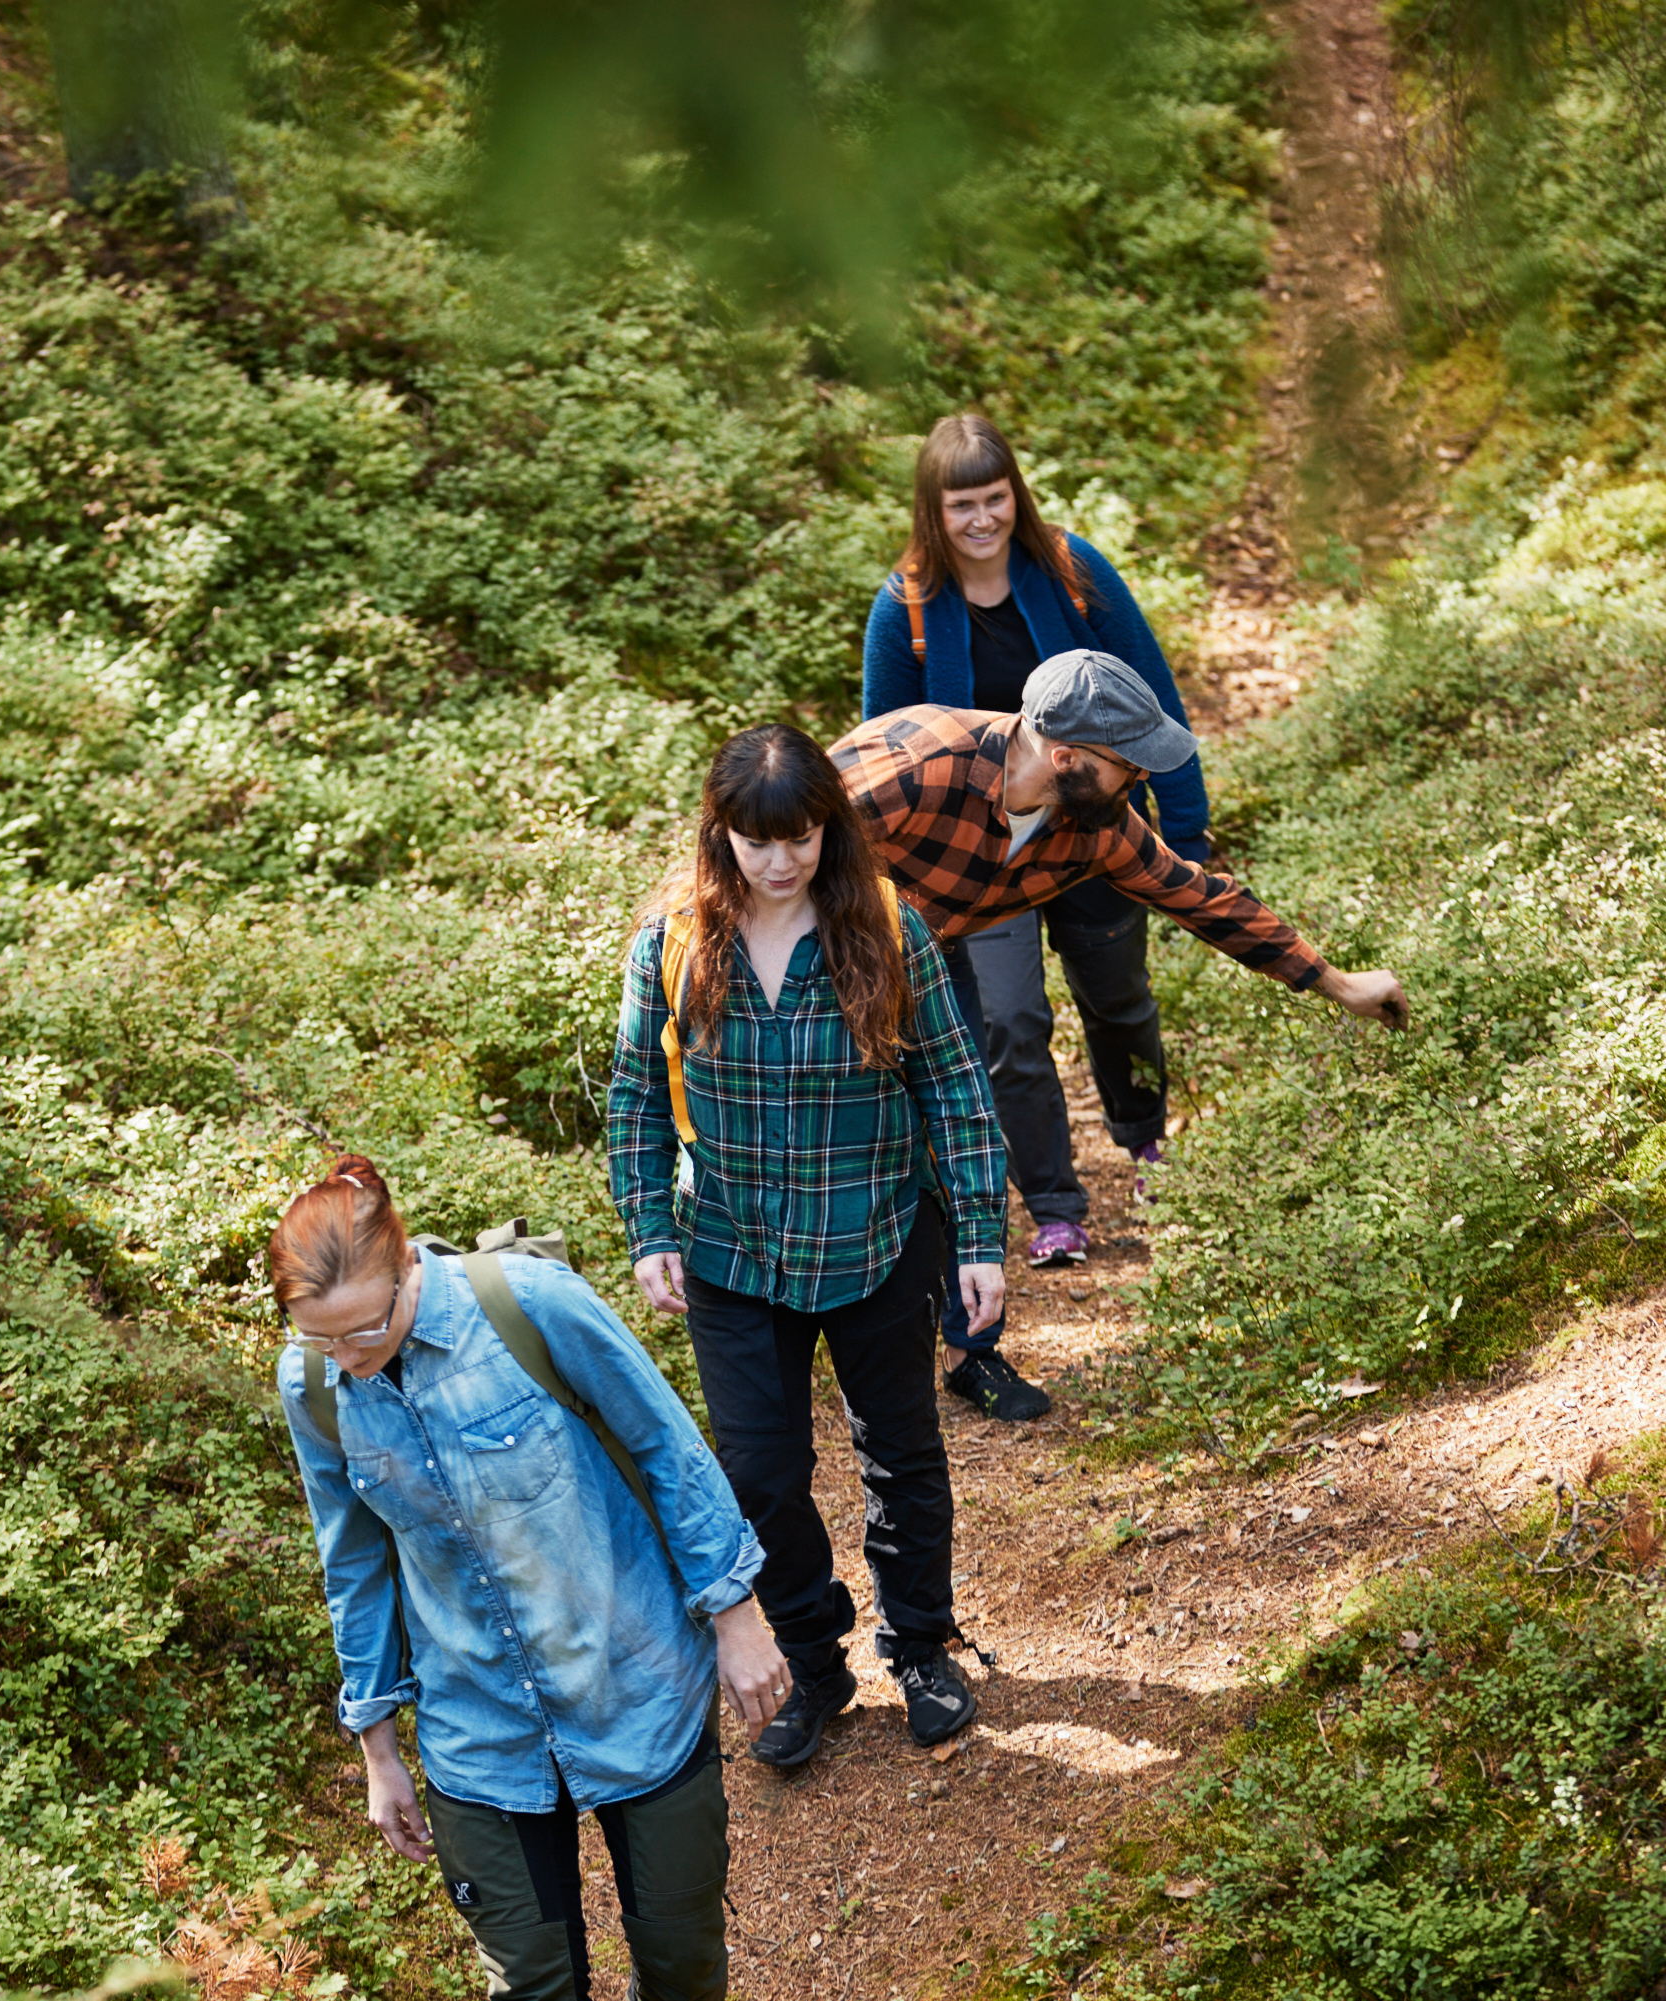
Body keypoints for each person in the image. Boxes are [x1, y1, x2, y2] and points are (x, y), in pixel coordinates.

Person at [272, 1155, 789, 2001]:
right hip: (477, 1727)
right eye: (320, 1337)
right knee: (531, 1988)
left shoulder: (530, 1305)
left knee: (682, 1966)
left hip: (636, 1686)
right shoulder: (314, 1384)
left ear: (406, 1267)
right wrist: (378, 1746)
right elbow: (353, 1560)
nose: (348, 1357)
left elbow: (667, 1446)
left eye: (364, 1329)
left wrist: (737, 1617)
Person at [827, 654, 1412, 1397]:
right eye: (1127, 768)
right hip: (817, 964)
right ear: (1066, 758)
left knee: (964, 1136)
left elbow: (1202, 899)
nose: (1139, 782)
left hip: (928, 955)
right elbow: (765, 847)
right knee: (852, 1145)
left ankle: (969, 1354)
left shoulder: (1095, 827)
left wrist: (1337, 983)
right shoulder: (915, 770)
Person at [604, 725, 1009, 1770]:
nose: (781, 861)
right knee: (760, 1473)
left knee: (901, 1452)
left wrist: (979, 1235)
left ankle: (919, 1645)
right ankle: (811, 1661)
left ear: (831, 827)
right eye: (758, 841)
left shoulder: (887, 931)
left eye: (801, 838)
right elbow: (637, 1094)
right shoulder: (673, 944)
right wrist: (649, 1227)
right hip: (732, 1250)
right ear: (722, 835)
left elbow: (955, 1087)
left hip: (877, 1236)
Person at [862, 413, 1211, 1425]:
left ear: (1016, 493)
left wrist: (1185, 826)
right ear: (933, 512)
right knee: (1009, 1023)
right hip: (986, 854)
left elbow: (1150, 690)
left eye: (994, 497)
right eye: (960, 504)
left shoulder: (1073, 571)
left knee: (1119, 996)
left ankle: (1142, 1139)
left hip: (1091, 831)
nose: (981, 519)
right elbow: (887, 738)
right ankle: (1056, 1204)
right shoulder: (907, 608)